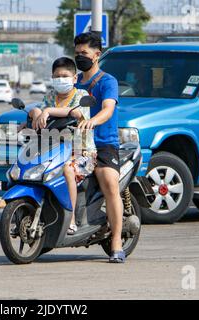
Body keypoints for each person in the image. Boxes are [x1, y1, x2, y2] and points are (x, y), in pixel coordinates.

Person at [29, 57, 97, 235]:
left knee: (68, 169)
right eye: (56, 76)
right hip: (54, 152)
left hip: (83, 154)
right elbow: (38, 110)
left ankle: (71, 219)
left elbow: (75, 113)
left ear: (75, 78)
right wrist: (36, 113)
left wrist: (48, 111)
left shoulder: (82, 96)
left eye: (64, 76)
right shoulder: (50, 97)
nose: (60, 80)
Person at [73, 32, 125, 263]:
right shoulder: (72, 82)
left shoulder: (107, 81)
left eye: (84, 53)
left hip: (104, 144)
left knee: (110, 184)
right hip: (76, 145)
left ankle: (116, 241)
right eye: (77, 53)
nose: (80, 57)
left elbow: (108, 108)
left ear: (97, 55)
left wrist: (94, 120)